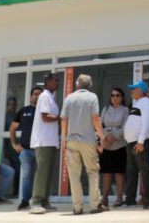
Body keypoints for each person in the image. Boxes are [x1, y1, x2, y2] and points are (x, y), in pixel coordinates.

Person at [60, 73, 104, 215]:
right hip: (88, 140)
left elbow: (64, 120)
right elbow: (96, 119)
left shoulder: (69, 98)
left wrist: (64, 140)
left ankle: (77, 207)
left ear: (77, 85)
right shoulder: (92, 97)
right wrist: (101, 138)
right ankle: (94, 205)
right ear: (89, 85)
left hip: (71, 140)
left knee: (74, 175)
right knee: (92, 172)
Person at [29, 74, 61, 215]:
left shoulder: (51, 98)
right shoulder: (44, 96)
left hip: (51, 141)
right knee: (42, 172)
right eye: (56, 81)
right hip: (43, 141)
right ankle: (35, 202)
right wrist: (61, 119)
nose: (58, 83)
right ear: (47, 82)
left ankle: (44, 201)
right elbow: (45, 117)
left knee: (48, 173)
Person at [122, 80, 149, 209]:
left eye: (134, 89)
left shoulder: (146, 103)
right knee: (131, 171)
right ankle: (130, 200)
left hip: (139, 142)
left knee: (145, 171)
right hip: (132, 142)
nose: (131, 91)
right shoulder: (138, 103)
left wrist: (141, 142)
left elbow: (147, 123)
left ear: (141, 91)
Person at [10, 87, 42, 210]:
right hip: (26, 151)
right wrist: (14, 144)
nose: (37, 96)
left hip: (41, 150)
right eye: (35, 94)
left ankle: (40, 201)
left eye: (39, 94)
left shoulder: (45, 111)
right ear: (30, 97)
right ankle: (25, 201)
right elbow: (13, 128)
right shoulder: (23, 111)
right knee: (27, 177)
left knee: (41, 177)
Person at [98, 86, 129, 209]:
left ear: (122, 98)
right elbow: (100, 124)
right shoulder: (105, 109)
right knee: (106, 172)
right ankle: (104, 197)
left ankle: (119, 197)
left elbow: (125, 127)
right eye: (112, 95)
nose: (115, 98)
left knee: (118, 172)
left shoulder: (125, 110)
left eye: (117, 95)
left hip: (119, 144)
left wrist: (114, 136)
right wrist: (105, 136)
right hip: (106, 144)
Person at [2, 96, 21, 196]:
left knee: (19, 169)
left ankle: (17, 191)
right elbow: (5, 133)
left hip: (19, 146)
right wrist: (6, 150)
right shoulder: (4, 117)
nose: (12, 106)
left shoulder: (18, 116)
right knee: (16, 169)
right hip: (10, 147)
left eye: (13, 104)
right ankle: (15, 191)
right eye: (9, 104)